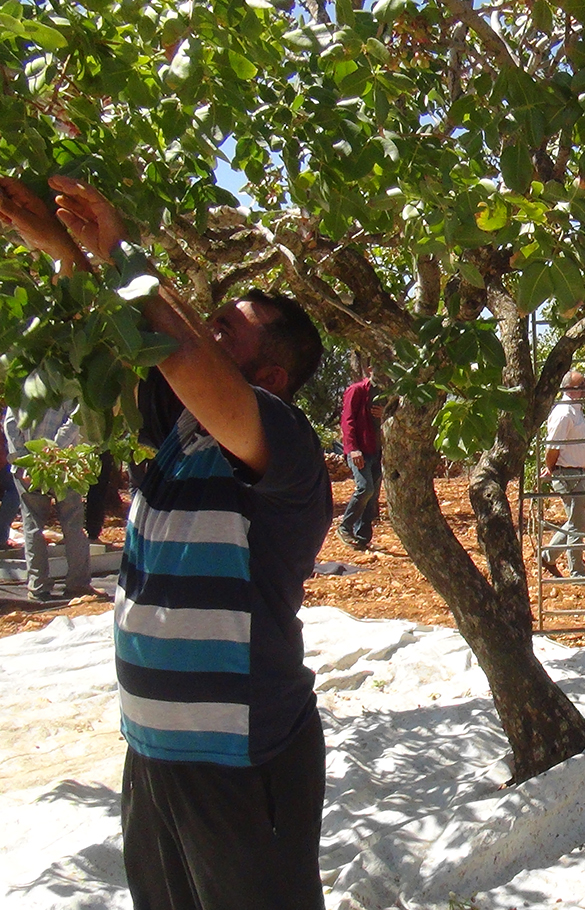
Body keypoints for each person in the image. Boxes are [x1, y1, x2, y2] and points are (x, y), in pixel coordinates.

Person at [1, 175, 332, 909]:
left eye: (226, 332)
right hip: (153, 753)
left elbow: (177, 349)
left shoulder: (283, 440)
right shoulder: (179, 431)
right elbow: (124, 338)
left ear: (270, 375)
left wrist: (119, 247)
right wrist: (64, 249)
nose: (201, 333)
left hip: (241, 758)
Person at [3, 401, 94, 601]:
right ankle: (78, 584)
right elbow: (75, 419)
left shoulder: (21, 385)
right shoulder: (63, 381)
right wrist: (54, 452)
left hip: (30, 468)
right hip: (64, 464)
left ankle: (38, 586)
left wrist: (22, 459)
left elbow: (10, 423)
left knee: (32, 525)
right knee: (72, 524)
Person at [539, 370, 585, 578]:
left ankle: (548, 556)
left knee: (580, 519)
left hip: (578, 473)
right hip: (568, 474)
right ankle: (576, 572)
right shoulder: (564, 412)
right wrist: (552, 468)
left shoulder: (574, 411)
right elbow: (553, 447)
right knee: (577, 522)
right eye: (582, 387)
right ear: (572, 390)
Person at [337, 353, 383, 550]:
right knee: (365, 488)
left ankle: (363, 537)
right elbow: (347, 421)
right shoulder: (356, 391)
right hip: (360, 451)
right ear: (370, 370)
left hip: (377, 450)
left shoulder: (385, 394)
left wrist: (386, 413)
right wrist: (353, 449)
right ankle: (345, 527)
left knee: (373, 496)